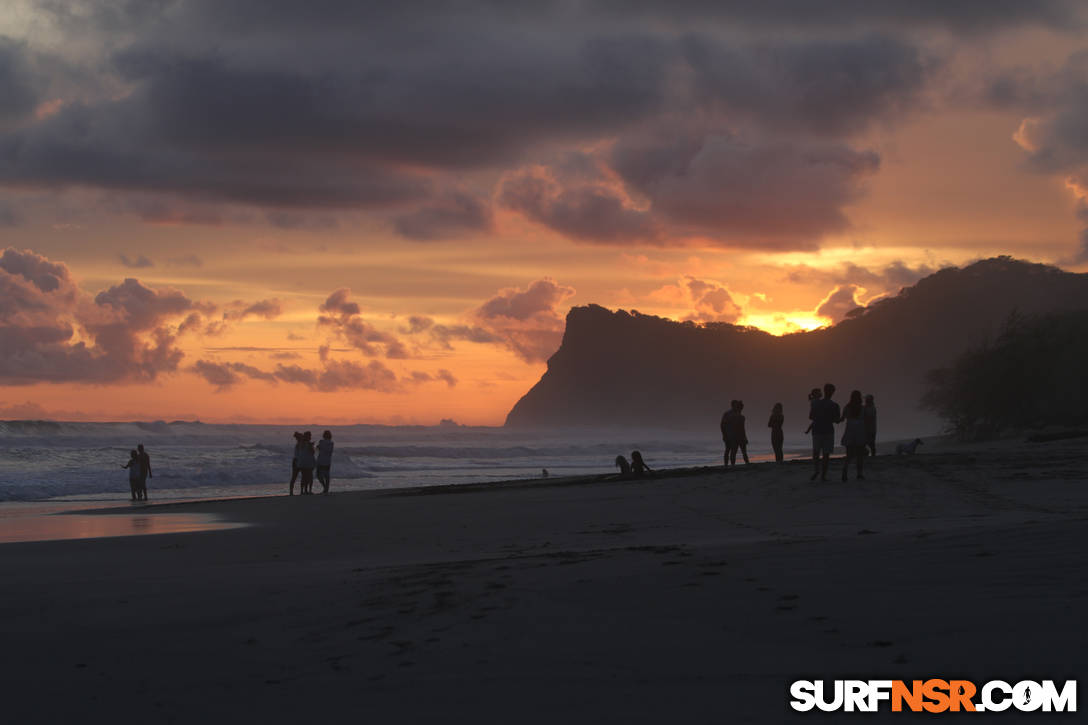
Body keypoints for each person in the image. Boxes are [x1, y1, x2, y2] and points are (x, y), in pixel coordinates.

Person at [809, 383, 840, 482]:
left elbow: (811, 417)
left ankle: (816, 470)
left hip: (817, 430)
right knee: (826, 454)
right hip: (828, 431)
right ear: (833, 392)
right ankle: (823, 475)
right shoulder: (834, 405)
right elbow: (836, 420)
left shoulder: (816, 403)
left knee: (816, 452)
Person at [840, 390, 867, 481]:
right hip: (860, 430)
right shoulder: (863, 408)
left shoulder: (847, 407)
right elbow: (866, 420)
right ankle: (859, 474)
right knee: (860, 454)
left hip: (850, 430)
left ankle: (845, 471)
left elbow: (842, 419)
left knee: (849, 454)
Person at [720, 400, 749, 467]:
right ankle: (727, 465)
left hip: (737, 436)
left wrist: (745, 437)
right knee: (730, 450)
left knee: (737, 451)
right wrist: (724, 435)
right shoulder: (728, 414)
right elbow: (722, 425)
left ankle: (732, 465)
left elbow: (742, 428)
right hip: (731, 436)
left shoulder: (741, 416)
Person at [315, 430, 334, 494]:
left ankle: (325, 487)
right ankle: (326, 489)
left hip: (321, 461)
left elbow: (317, 448)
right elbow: (329, 451)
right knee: (327, 476)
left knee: (318, 475)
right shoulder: (331, 443)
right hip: (327, 461)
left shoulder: (321, 442)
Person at [289, 431, 303, 495]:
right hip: (297, 461)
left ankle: (292, 491)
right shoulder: (299, 444)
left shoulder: (299, 444)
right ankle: (292, 491)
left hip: (297, 461)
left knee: (294, 477)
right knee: (295, 477)